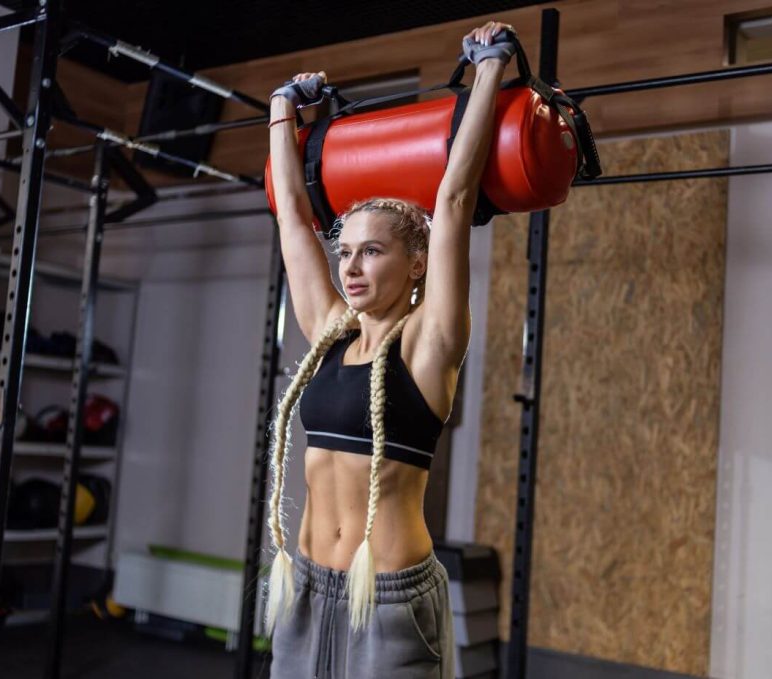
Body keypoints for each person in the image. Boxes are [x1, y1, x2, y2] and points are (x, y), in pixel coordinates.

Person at [265, 20, 516, 679]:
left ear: (415, 265)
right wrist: (281, 109)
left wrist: (490, 69)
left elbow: (455, 201)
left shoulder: (430, 347)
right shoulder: (328, 333)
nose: (350, 266)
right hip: (306, 590)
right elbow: (293, 216)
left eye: (371, 250)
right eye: (345, 251)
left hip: (390, 601)